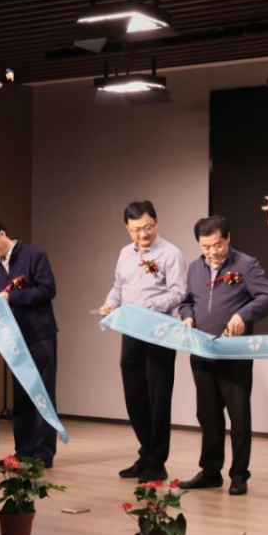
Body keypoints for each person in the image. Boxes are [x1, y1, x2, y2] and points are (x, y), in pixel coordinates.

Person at [178, 215, 268, 496]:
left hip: (234, 354)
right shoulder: (194, 268)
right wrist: (187, 317)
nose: (212, 252)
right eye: (206, 246)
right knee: (207, 415)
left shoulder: (246, 265)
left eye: (218, 245)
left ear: (228, 238)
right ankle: (210, 472)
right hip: (202, 352)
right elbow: (186, 302)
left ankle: (239, 474)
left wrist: (243, 315)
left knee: (238, 416)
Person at [99, 200, 186, 483]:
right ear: (127, 228)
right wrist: (110, 303)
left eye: (147, 227)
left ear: (157, 223)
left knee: (158, 397)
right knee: (134, 395)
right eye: (136, 229)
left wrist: (146, 306)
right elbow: (118, 287)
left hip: (159, 331)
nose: (142, 234)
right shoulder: (125, 253)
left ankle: (157, 462)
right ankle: (146, 453)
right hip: (131, 330)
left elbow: (178, 293)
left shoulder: (171, 253)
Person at [0, 217, 59, 468]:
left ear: (2, 233)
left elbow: (48, 290)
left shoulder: (34, 255)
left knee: (42, 393)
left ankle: (43, 454)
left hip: (40, 335)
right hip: (15, 338)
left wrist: (13, 297)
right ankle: (23, 452)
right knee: (21, 397)